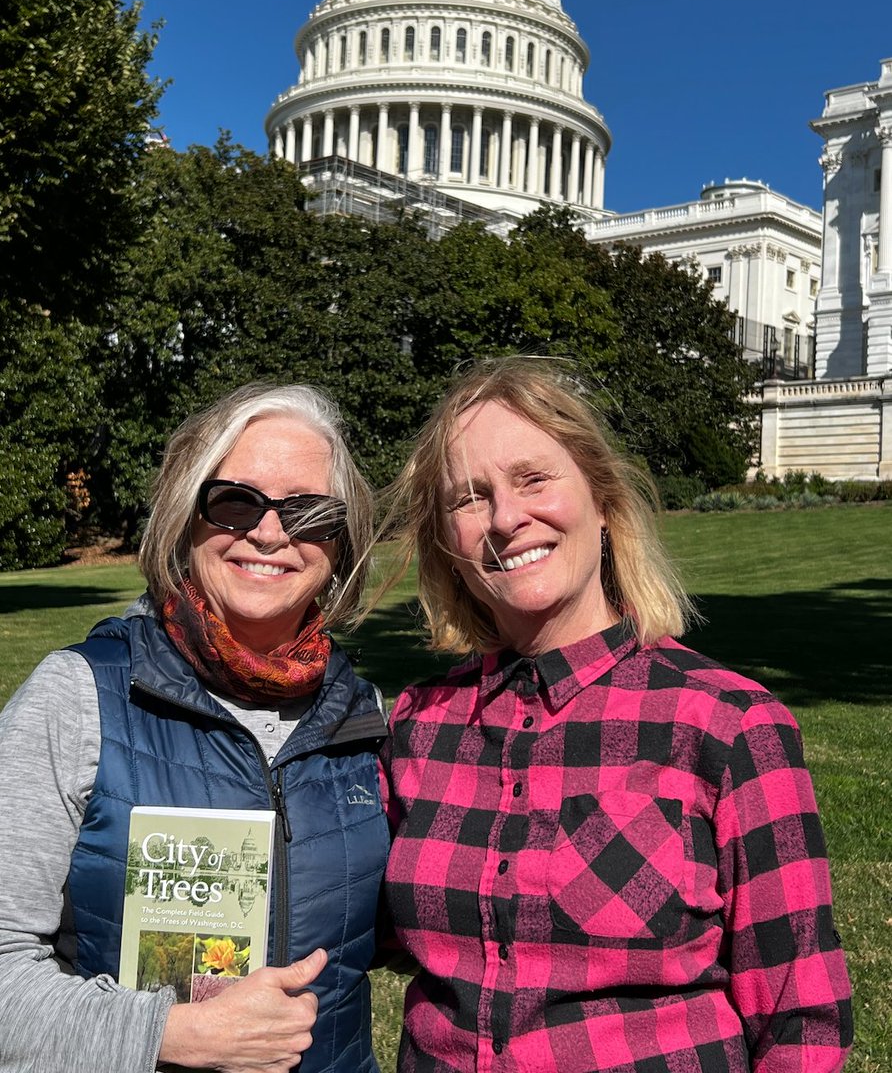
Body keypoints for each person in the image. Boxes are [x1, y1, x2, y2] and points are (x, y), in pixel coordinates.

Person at [378, 357, 853, 1073]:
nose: (506, 518)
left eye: (534, 479)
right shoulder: (421, 725)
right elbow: (344, 923)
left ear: (602, 500)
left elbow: (801, 1020)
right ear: (446, 541)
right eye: (470, 498)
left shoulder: (727, 724)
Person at [0, 383, 390, 1073]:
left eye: (309, 512)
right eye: (235, 502)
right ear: (185, 515)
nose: (270, 534)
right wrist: (170, 1035)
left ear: (341, 541)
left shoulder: (366, 720)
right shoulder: (79, 696)